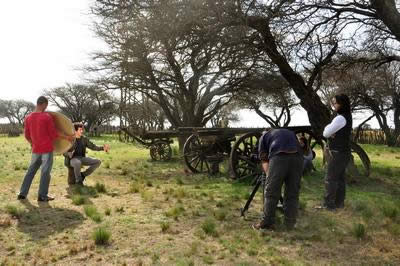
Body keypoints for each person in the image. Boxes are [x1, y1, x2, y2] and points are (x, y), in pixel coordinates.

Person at [18, 96, 74, 201]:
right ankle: (42, 196)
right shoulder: (46, 117)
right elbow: (53, 134)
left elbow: (26, 135)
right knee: (45, 172)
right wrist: (67, 137)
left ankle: (22, 193)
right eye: (46, 105)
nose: (46, 108)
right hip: (47, 149)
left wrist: (32, 143)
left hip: (36, 149)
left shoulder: (28, 118)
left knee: (31, 171)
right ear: (44, 104)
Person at [253, 128, 303, 231]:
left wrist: (269, 176)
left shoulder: (263, 137)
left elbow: (264, 160)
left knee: (271, 191)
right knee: (292, 192)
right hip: (298, 158)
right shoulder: (289, 132)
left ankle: (267, 223)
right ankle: (290, 224)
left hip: (279, 157)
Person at [318, 94, 352, 211]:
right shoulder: (347, 116)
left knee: (331, 179)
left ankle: (328, 205)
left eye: (335, 103)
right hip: (345, 152)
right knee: (340, 179)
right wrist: (330, 128)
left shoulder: (340, 118)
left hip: (337, 152)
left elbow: (326, 133)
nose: (333, 105)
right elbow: (328, 130)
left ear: (341, 103)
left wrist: (329, 130)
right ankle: (339, 204)